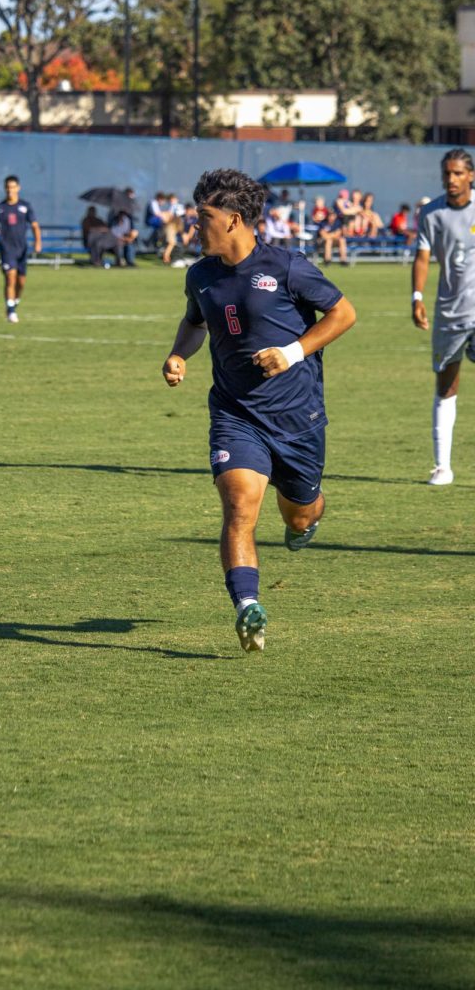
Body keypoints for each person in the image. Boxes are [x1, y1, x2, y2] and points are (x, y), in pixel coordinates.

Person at [162, 168, 356, 653]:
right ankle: (248, 606)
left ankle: (308, 518)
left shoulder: (287, 266)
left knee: (297, 513)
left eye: (202, 217)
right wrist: (179, 354)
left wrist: (291, 352)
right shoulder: (200, 274)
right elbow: (194, 323)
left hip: (297, 417)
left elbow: (344, 313)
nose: (193, 226)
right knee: (239, 506)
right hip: (235, 413)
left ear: (232, 220)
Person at [411, 148, 475, 486]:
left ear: (471, 175)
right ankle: (442, 466)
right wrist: (417, 296)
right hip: (450, 311)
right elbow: (422, 257)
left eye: (458, 173)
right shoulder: (432, 213)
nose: (451, 179)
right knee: (447, 383)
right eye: (447, 174)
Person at [0, 175, 42, 322]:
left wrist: (38, 242)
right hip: (6, 249)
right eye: (7, 188)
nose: (10, 190)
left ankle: (14, 301)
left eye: (12, 187)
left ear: (18, 188)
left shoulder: (25, 206)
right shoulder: (0, 208)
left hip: (22, 249)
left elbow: (35, 225)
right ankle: (10, 310)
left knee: (21, 282)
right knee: (10, 277)